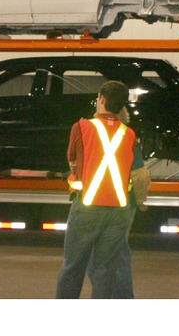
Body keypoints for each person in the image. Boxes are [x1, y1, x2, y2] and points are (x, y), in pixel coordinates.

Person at [56, 80, 148, 299]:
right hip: (119, 212)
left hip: (87, 208)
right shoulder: (129, 133)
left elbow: (72, 159)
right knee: (105, 271)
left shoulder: (82, 127)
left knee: (73, 268)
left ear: (102, 99)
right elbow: (135, 170)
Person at [87, 107, 149, 298]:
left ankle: (116, 297)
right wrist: (139, 201)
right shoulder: (127, 137)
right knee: (118, 252)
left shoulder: (93, 137)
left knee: (102, 255)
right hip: (122, 204)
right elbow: (140, 175)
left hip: (99, 204)